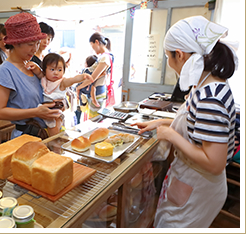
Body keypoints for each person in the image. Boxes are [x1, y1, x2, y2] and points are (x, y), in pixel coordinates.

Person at [132, 16, 238, 228]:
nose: (170, 65)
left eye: (168, 57)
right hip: (190, 179)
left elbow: (215, 163)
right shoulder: (204, 85)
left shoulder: (211, 97)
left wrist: (170, 135)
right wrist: (160, 122)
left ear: (179, 55)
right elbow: (195, 122)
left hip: (199, 185)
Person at [0, 12, 61, 140]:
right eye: (30, 44)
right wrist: (36, 111)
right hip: (26, 137)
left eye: (37, 43)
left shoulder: (31, 66)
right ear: (15, 43)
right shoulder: (6, 71)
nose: (35, 49)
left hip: (44, 134)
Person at [27, 53, 93, 136]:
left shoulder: (62, 82)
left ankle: (54, 144)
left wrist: (83, 76)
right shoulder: (44, 79)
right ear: (45, 70)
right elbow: (39, 72)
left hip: (55, 112)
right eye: (52, 69)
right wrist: (35, 67)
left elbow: (72, 80)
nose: (56, 73)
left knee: (53, 131)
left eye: (59, 70)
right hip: (42, 110)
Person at [76, 32, 114, 119]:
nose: (93, 50)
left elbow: (92, 78)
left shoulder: (105, 57)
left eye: (92, 46)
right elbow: (102, 74)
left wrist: (79, 87)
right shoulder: (107, 56)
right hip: (98, 91)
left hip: (97, 93)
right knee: (94, 118)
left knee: (94, 120)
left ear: (97, 42)